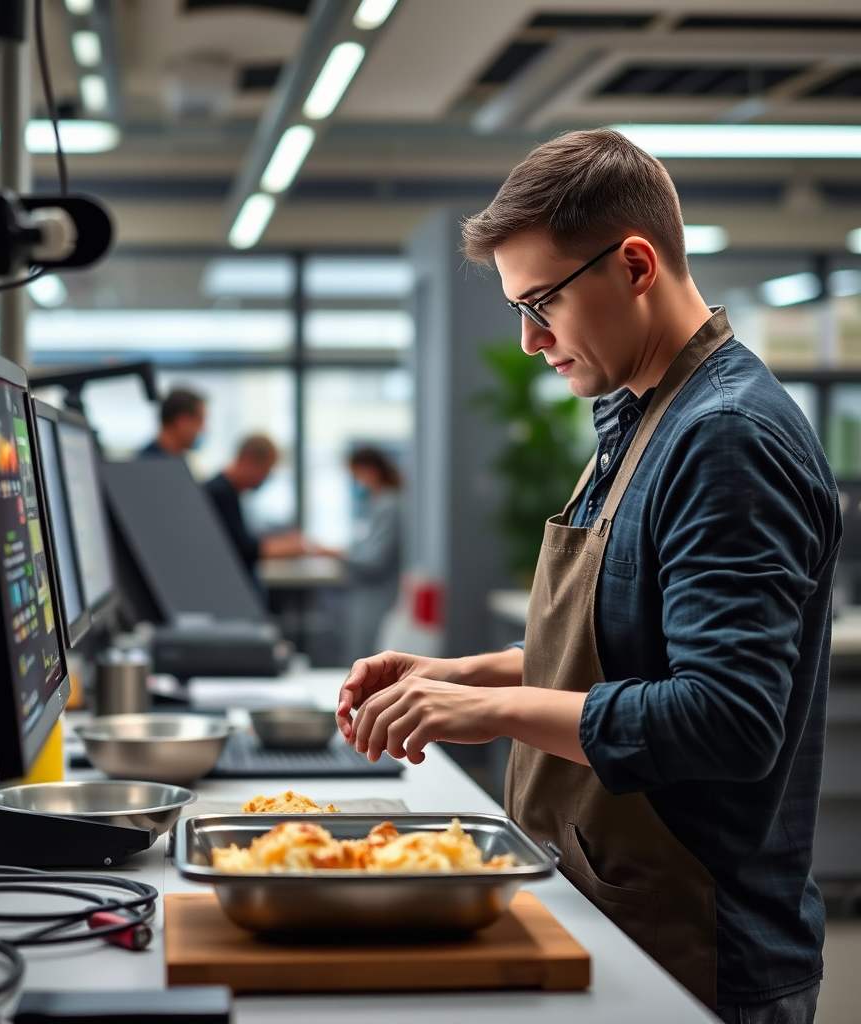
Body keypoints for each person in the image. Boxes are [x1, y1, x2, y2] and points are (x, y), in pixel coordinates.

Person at [335, 128, 839, 1024]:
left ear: (636, 265)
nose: (530, 341)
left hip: (699, 949)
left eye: (543, 303)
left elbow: (726, 722)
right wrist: (458, 674)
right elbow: (620, 648)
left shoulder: (725, 437)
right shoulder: (641, 416)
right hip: (614, 910)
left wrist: (489, 712)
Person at [320, 447, 403, 664]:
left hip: (379, 598)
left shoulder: (389, 506)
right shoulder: (373, 505)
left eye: (356, 475)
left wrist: (335, 555)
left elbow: (374, 560)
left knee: (370, 662)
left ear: (371, 471)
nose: (355, 482)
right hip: (364, 597)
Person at [204, 433, 307, 581]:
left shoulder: (233, 493)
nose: (265, 478)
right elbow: (244, 549)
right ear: (249, 460)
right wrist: (291, 547)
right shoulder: (220, 493)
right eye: (265, 470)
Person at [141, 387, 205, 457]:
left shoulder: (180, 462)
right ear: (182, 422)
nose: (202, 430)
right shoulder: (143, 465)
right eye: (199, 422)